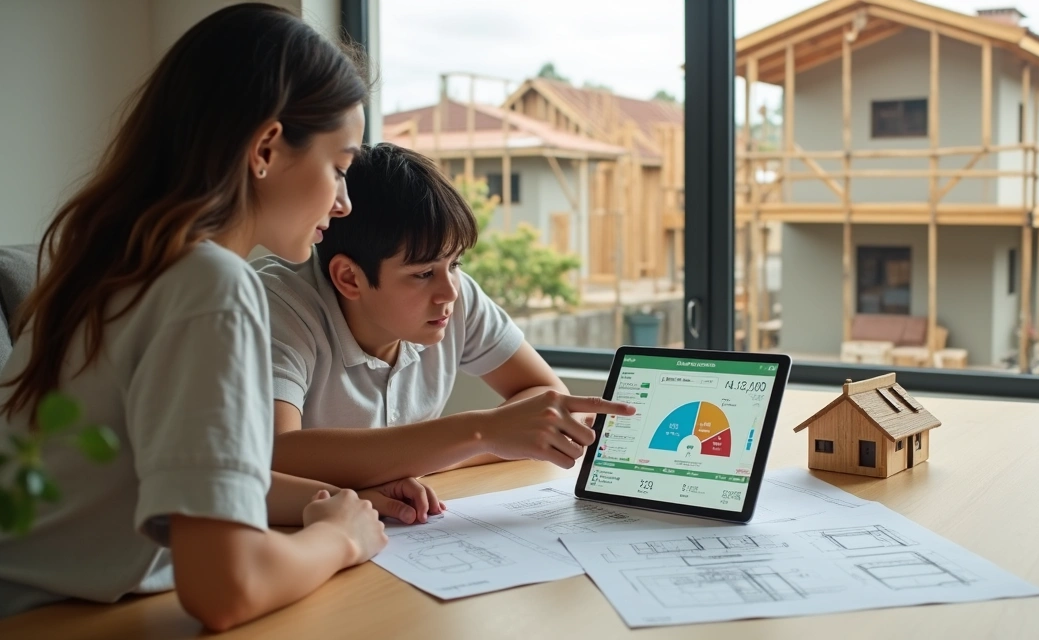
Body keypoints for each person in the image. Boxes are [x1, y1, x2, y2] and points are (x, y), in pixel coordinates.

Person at [0, 4, 426, 631]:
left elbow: (178, 476)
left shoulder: (109, 261)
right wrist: (341, 541)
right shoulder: (211, 286)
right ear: (266, 147)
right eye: (339, 167)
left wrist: (335, 502)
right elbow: (226, 589)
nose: (343, 203)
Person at [255, 143, 635, 494]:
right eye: (423, 274)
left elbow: (544, 396)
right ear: (349, 278)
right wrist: (479, 432)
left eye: (454, 263)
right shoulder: (276, 306)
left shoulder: (455, 295)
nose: (449, 291)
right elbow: (277, 454)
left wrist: (426, 460)